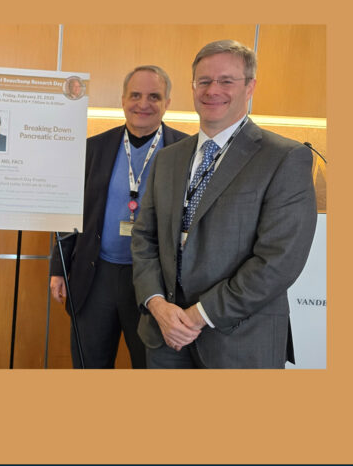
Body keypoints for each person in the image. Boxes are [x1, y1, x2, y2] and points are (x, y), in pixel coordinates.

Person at [131, 40, 317, 368]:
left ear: (250, 87)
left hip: (239, 341)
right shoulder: (167, 159)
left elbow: (278, 261)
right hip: (165, 337)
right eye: (203, 81)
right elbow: (144, 238)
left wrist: (200, 314)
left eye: (226, 80)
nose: (212, 90)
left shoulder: (285, 158)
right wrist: (157, 304)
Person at [49, 65, 188, 368]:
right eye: (135, 95)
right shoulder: (94, 148)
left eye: (154, 96)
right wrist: (58, 268)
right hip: (97, 275)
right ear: (122, 99)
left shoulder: (186, 151)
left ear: (168, 102)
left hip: (156, 283)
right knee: (90, 364)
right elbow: (69, 208)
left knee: (150, 365)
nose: (143, 103)